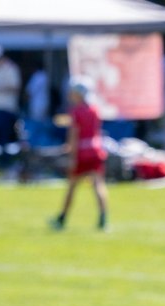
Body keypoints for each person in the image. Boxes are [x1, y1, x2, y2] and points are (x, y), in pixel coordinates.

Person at [51, 78, 108, 231]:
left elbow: (74, 134)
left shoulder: (76, 112)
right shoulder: (94, 109)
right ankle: (103, 217)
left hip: (82, 153)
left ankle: (62, 218)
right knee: (98, 185)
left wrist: (71, 154)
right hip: (95, 150)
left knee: (72, 187)